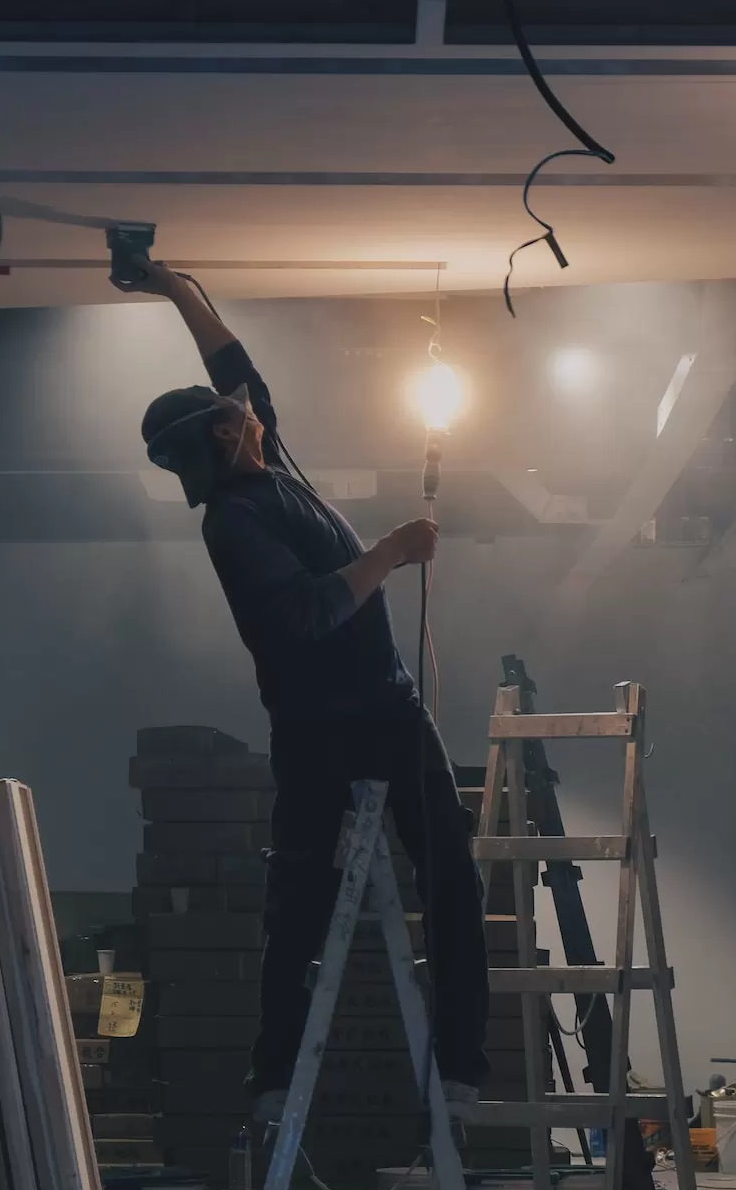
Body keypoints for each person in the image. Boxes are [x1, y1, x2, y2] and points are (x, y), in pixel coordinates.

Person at [125, 262, 489, 1121]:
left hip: (389, 708)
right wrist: (393, 549)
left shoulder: (268, 463)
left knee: (451, 878)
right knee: (300, 904)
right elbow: (312, 610)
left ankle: (462, 1063)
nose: (246, 405)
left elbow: (234, 365)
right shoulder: (236, 521)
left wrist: (176, 286)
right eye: (232, 413)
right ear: (222, 439)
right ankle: (276, 1072)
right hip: (322, 731)